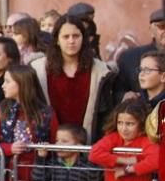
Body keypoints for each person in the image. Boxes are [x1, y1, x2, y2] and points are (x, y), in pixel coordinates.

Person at [30, 14, 114, 143]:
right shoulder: (38, 69)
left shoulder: (100, 71)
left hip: (87, 144)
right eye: (65, 36)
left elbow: (106, 113)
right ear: (57, 40)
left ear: (83, 38)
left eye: (76, 36)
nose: (71, 41)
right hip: (49, 145)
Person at [113, 9, 165, 103]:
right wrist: (125, 96)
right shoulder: (129, 58)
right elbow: (116, 93)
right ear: (152, 31)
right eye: (162, 26)